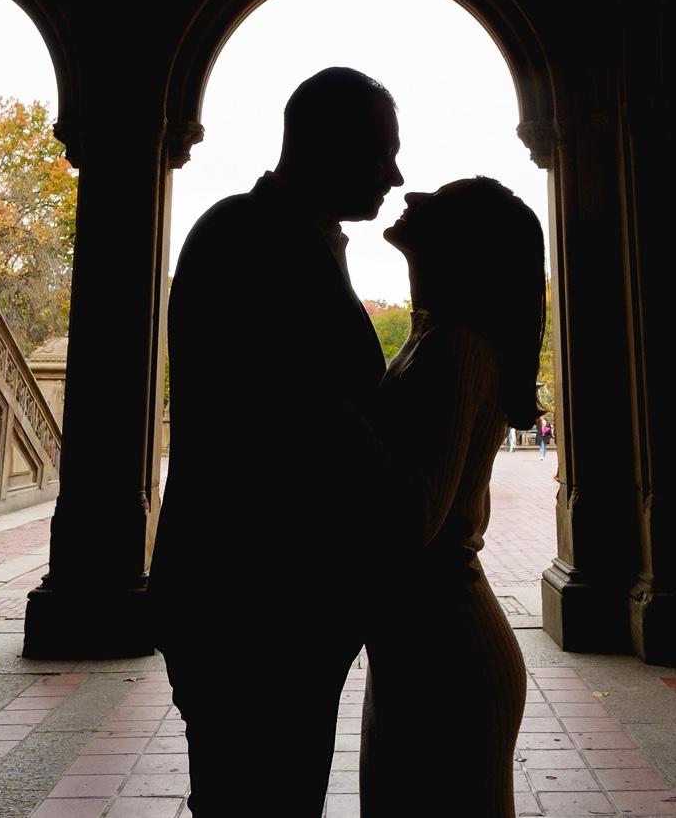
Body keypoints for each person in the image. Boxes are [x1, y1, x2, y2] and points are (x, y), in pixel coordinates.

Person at [148, 67, 404, 818]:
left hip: (265, 604)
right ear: (328, 143)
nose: (394, 175)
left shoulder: (269, 233)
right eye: (381, 153)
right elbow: (305, 427)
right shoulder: (249, 238)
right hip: (254, 609)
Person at [361, 177, 544, 818]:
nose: (412, 196)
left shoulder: (458, 347)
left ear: (467, 246)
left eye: (441, 201)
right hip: (425, 638)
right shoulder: (435, 336)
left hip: (445, 649)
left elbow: (413, 516)